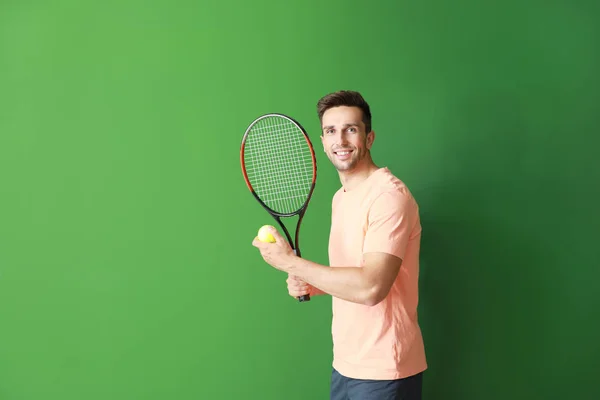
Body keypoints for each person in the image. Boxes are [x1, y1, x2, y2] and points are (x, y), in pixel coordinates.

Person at [252, 90, 427, 399]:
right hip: (346, 365)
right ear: (322, 141)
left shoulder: (389, 197)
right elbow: (352, 275)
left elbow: (371, 287)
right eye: (331, 131)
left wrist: (290, 263)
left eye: (351, 129)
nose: (341, 140)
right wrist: (311, 284)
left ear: (369, 138)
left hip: (383, 370)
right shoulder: (341, 197)